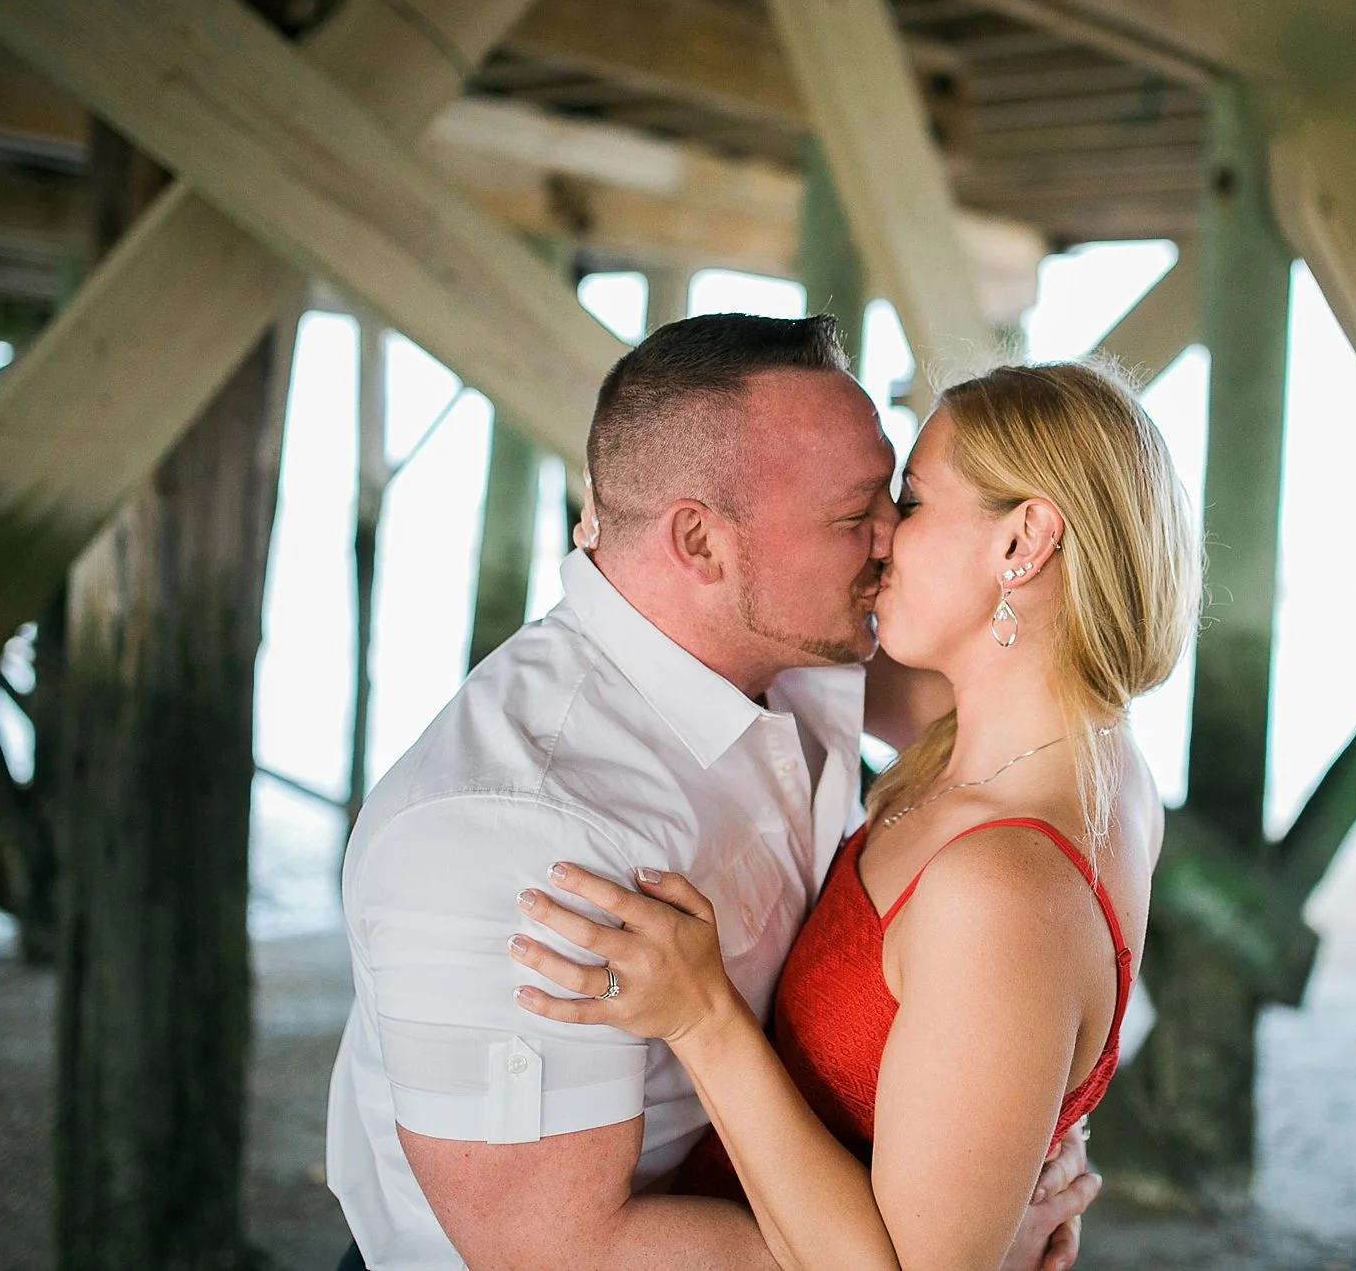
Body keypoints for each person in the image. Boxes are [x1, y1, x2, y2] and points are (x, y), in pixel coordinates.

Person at [325, 314, 1096, 1270]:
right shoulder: (509, 830)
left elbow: (1046, 702)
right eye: (857, 513)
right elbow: (565, 1254)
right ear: (700, 541)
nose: (892, 538)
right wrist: (942, 1248)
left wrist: (1009, 1126)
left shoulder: (798, 648)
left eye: (894, 496)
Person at [510, 360, 1202, 1270]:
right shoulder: (1072, 751)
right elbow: (761, 626)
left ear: (1023, 541)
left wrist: (701, 1016)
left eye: (910, 503)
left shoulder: (1001, 887)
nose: (879, 540)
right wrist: (641, 536)